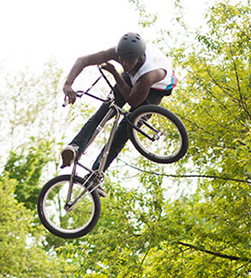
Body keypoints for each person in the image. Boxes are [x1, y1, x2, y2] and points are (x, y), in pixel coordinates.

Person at [60, 32, 177, 194]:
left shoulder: (150, 73)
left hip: (154, 90)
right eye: (122, 60)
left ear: (138, 57)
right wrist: (68, 84)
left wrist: (115, 73)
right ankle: (75, 146)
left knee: (126, 128)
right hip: (132, 79)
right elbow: (83, 60)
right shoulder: (119, 53)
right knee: (104, 111)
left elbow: (133, 101)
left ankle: (95, 174)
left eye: (129, 61)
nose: (125, 64)